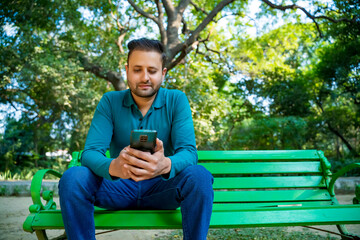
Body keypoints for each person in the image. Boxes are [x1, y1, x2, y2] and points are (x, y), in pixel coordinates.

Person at [59, 38, 214, 240]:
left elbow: (189, 153)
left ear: (163, 73)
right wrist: (114, 167)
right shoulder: (109, 101)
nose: (145, 77)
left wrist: (165, 164)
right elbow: (90, 153)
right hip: (118, 187)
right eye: (137, 69)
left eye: (152, 70)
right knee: (73, 178)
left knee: (199, 176)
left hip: (163, 188)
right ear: (127, 70)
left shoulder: (177, 100)